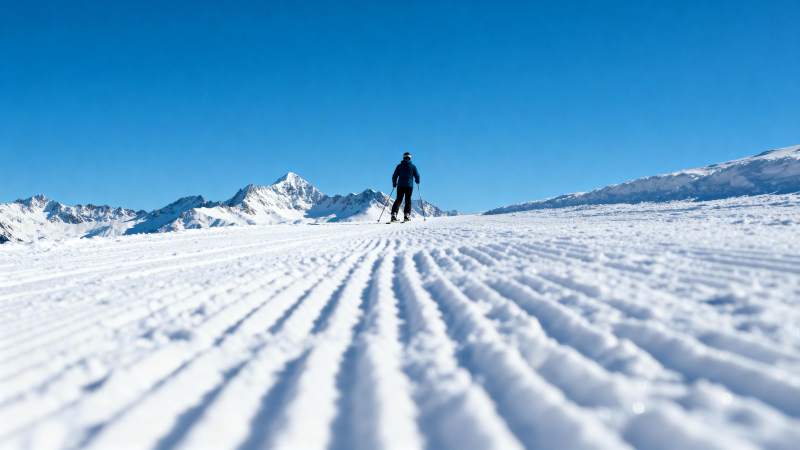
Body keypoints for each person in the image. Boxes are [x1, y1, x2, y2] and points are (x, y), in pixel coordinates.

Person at [390, 152, 420, 222]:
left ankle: (394, 215)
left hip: (400, 185)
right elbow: (417, 175)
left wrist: (394, 183)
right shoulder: (413, 166)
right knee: (408, 200)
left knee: (399, 199)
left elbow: (394, 175)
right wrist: (417, 181)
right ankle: (407, 215)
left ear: (403, 157)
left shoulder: (399, 166)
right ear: (410, 158)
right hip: (409, 186)